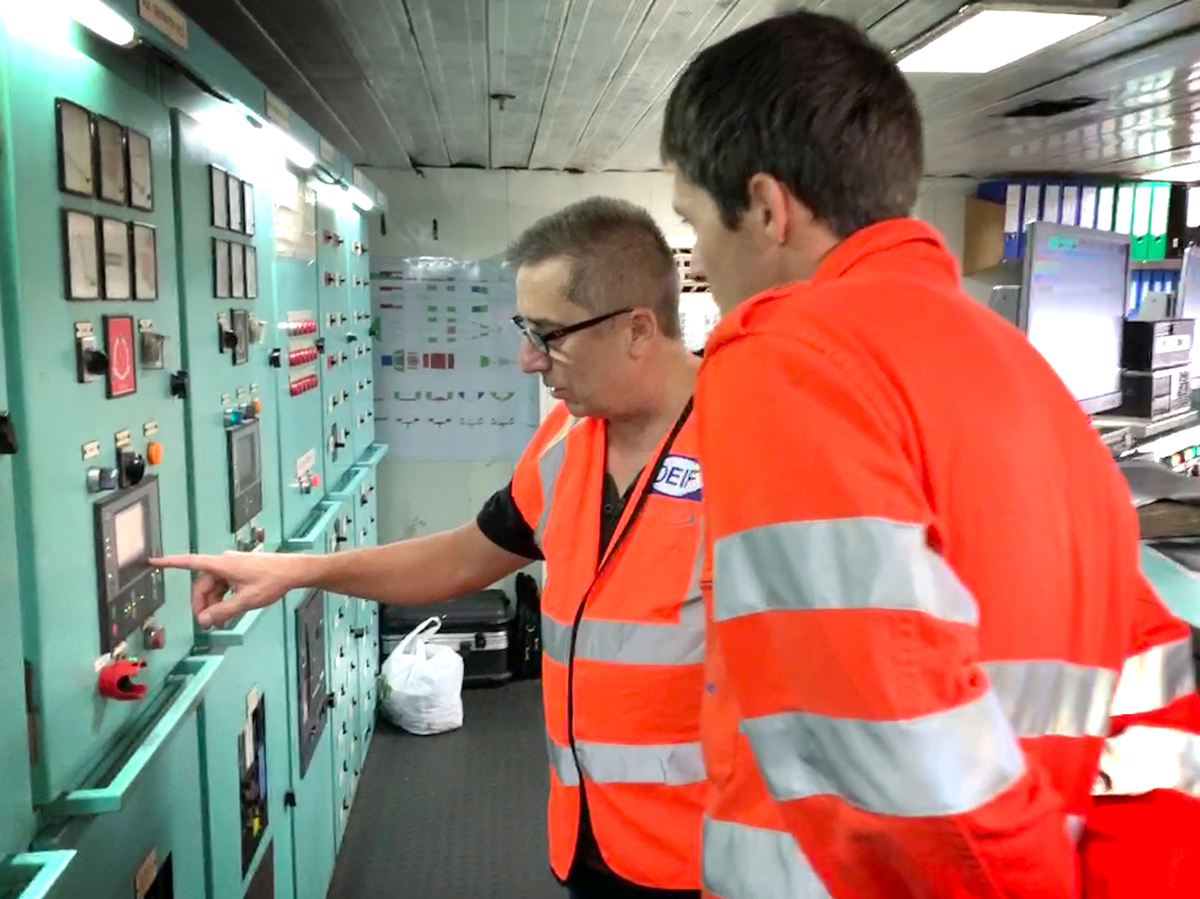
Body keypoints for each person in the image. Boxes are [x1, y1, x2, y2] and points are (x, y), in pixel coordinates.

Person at [660, 10, 1200, 899]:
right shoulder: (1024, 374)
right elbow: (1150, 698)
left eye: (695, 223)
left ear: (765, 207)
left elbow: (890, 751)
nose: (705, 262)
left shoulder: (786, 355)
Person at [153, 197, 707, 899]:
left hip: (713, 863)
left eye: (548, 333)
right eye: (523, 328)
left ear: (636, 329)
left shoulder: (754, 449)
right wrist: (297, 569)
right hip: (590, 842)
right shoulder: (567, 446)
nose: (527, 358)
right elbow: (460, 558)